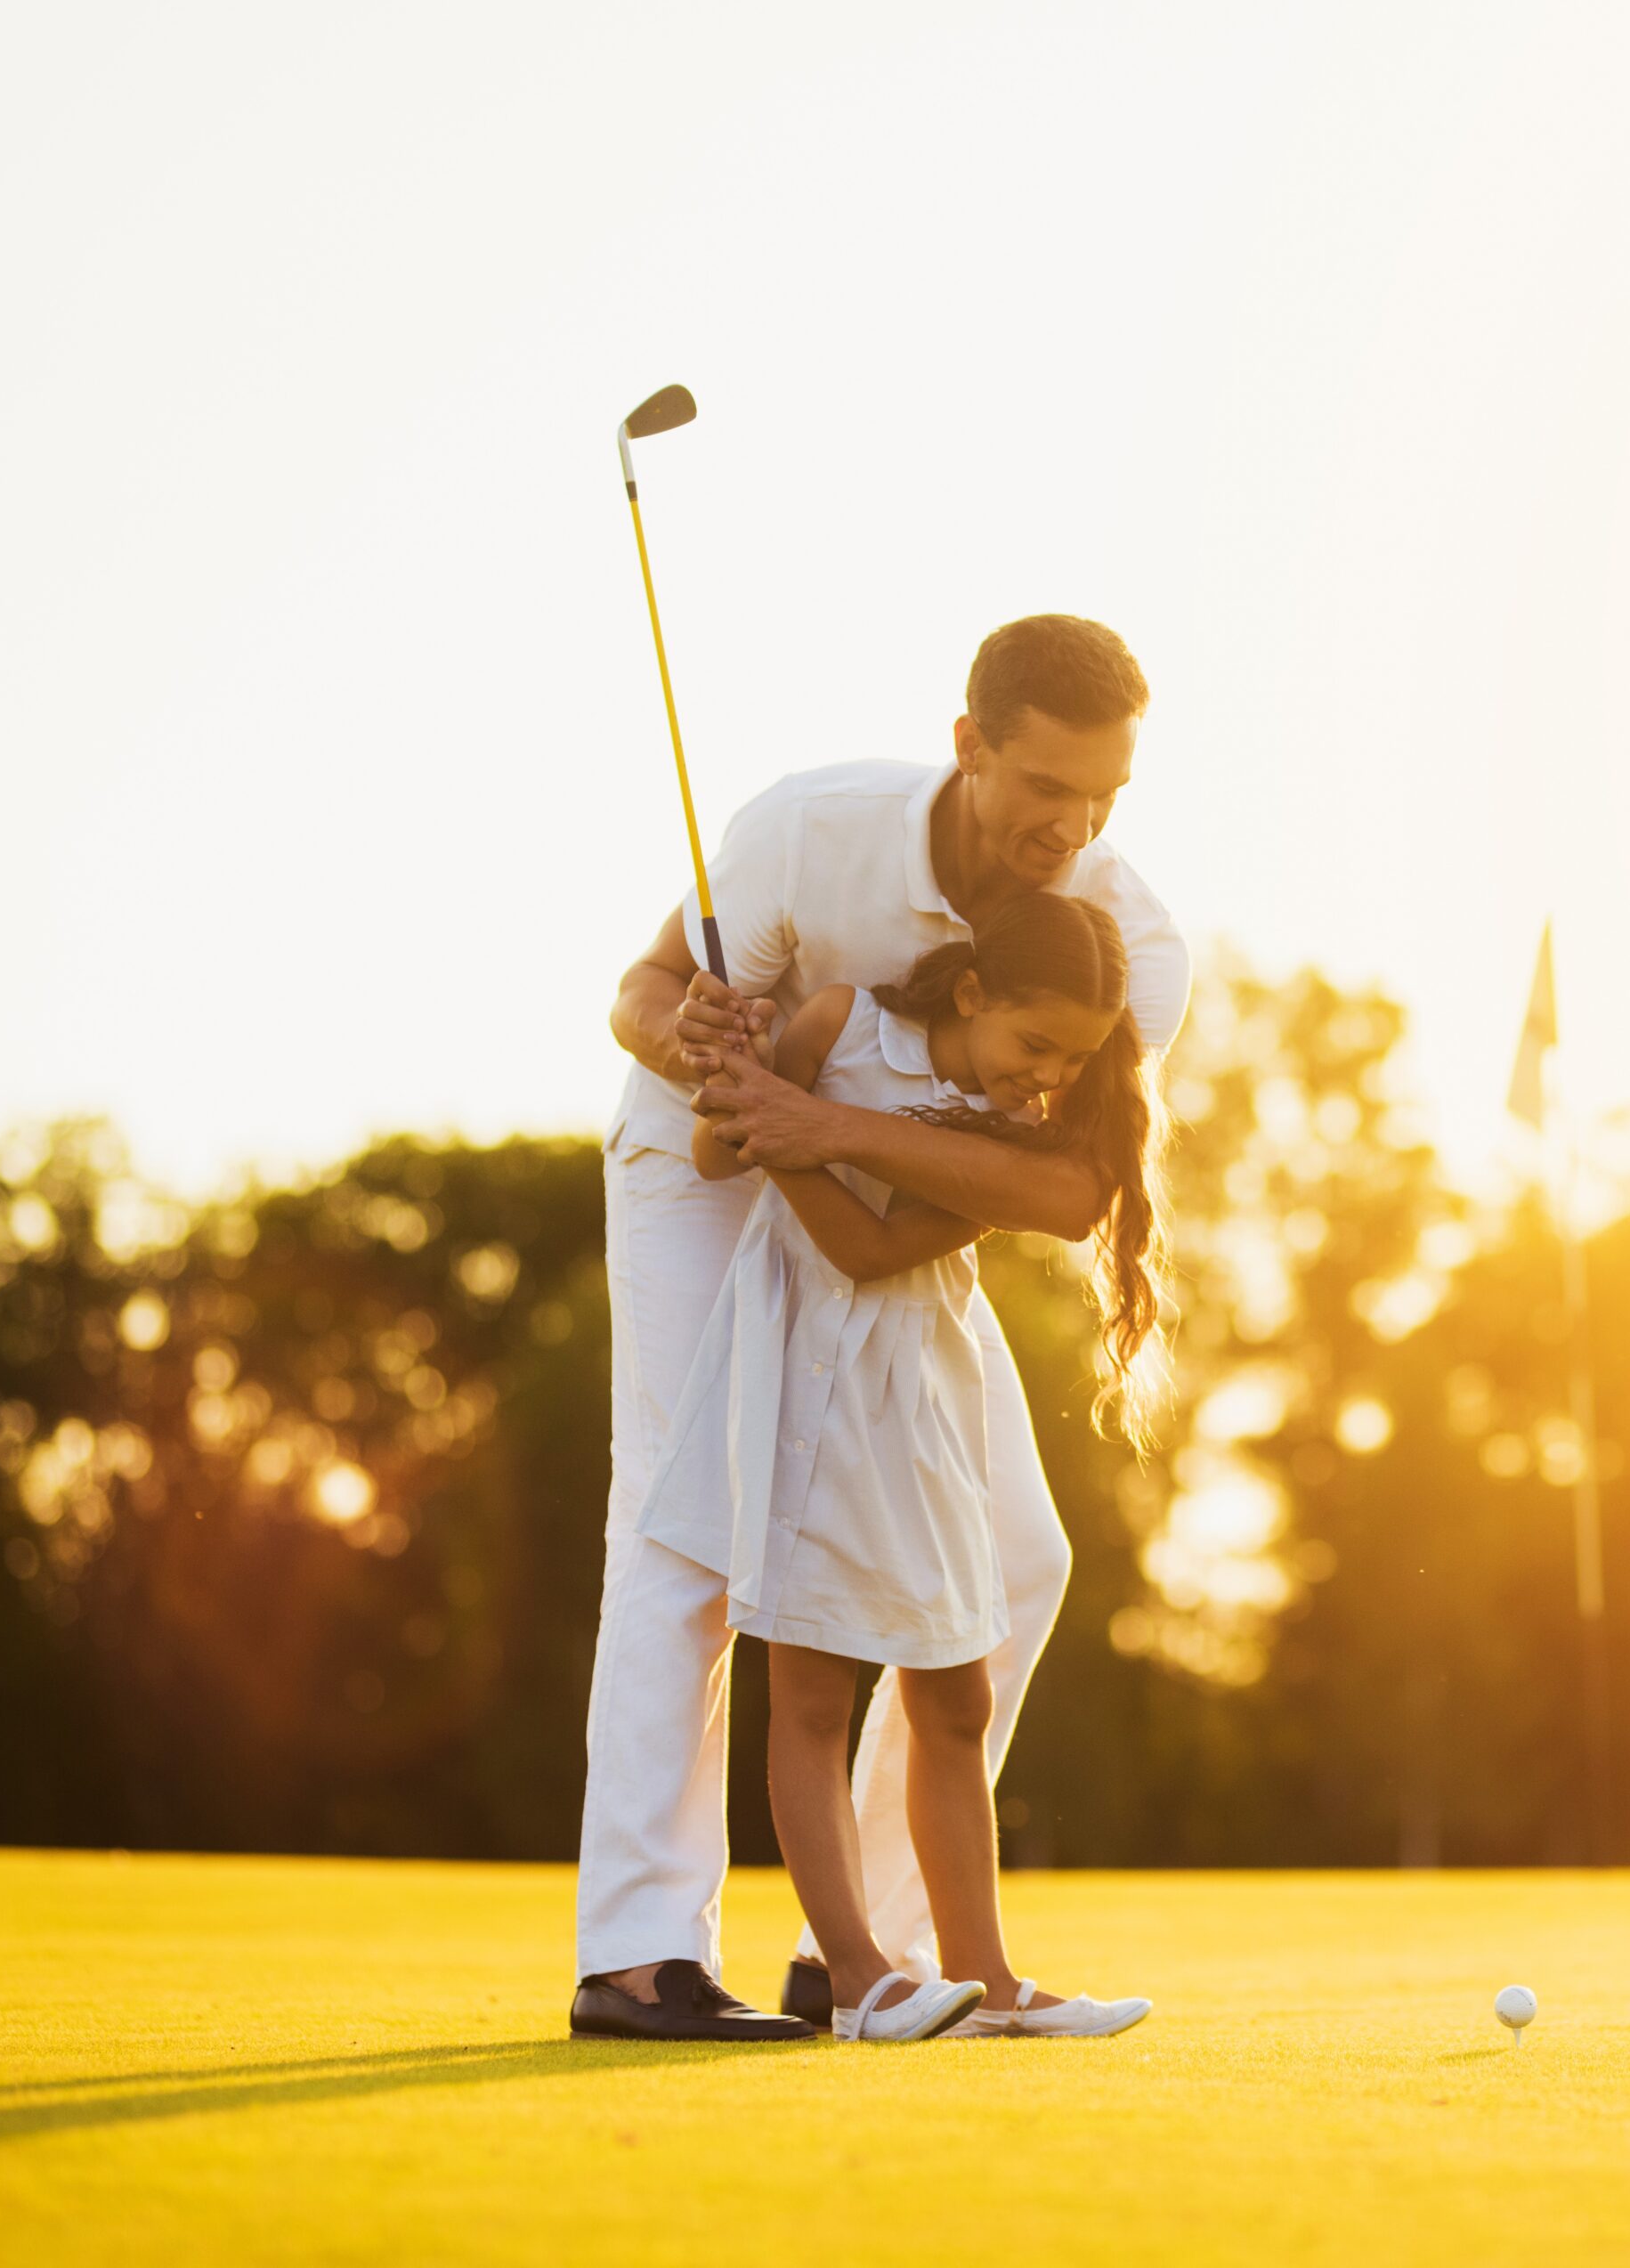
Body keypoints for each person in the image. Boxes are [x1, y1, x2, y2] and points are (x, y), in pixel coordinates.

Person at [571, 615, 1188, 2042]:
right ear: (970, 743)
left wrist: (823, 1123)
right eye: (1046, 785)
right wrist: (706, 1045)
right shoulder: (810, 826)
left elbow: (1071, 1185)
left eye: (1103, 796)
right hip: (704, 1170)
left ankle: (883, 1953)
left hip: (888, 1200)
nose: (1073, 825)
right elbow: (638, 992)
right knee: (690, 1527)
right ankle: (641, 1953)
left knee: (1020, 1557)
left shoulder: (1123, 942)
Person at [639, 898, 1167, 2039]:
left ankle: (983, 1976)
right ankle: (856, 1973)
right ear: (973, 994)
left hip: (917, 1399)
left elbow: (870, 1247)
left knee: (959, 1696)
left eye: (1073, 1059)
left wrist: (798, 1133)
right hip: (801, 1382)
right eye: (1037, 1046)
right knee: (816, 1691)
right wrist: (735, 1082)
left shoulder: (1005, 1134)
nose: (1049, 1077)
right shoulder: (837, 1022)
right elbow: (710, 1145)